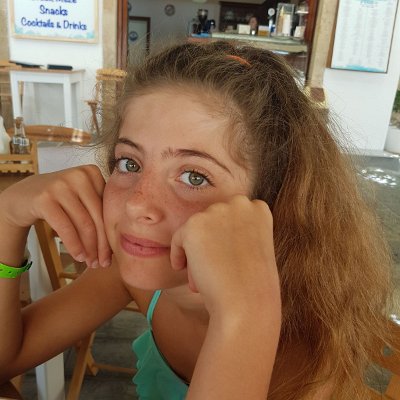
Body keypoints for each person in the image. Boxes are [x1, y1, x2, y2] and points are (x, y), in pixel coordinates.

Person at [0, 41, 393, 400]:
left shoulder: (303, 359)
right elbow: (7, 357)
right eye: (130, 163)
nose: (138, 204)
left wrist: (245, 316)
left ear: (271, 205)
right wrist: (7, 216)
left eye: (194, 177)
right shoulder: (134, 273)